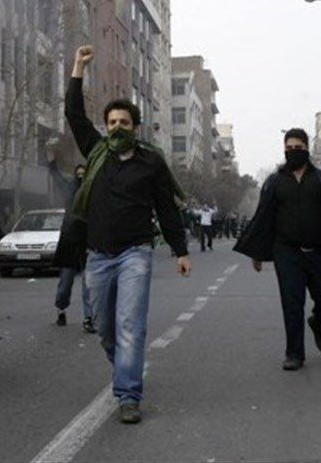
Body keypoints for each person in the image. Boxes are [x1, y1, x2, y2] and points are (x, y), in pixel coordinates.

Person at [65, 45, 190, 424]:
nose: (117, 127)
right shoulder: (97, 151)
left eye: (124, 122)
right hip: (99, 256)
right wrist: (77, 68)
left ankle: (128, 395)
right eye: (112, 122)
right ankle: (122, 363)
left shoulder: (150, 161)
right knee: (105, 328)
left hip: (135, 253)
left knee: (130, 325)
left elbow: (167, 209)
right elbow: (73, 114)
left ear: (134, 127)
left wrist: (181, 251)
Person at [234, 128, 321, 371]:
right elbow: (263, 217)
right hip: (287, 252)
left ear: (307, 149)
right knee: (292, 303)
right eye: (288, 149)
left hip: (320, 251)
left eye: (297, 148)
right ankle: (294, 353)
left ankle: (319, 324)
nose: (292, 152)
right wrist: (257, 252)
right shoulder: (275, 181)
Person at [47, 150, 94, 331]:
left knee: (88, 285)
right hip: (69, 243)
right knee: (64, 286)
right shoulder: (68, 189)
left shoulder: (92, 193)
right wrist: (52, 162)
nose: (81, 177)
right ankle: (61, 309)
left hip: (88, 244)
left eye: (84, 174)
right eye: (78, 174)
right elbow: (57, 177)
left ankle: (88, 318)